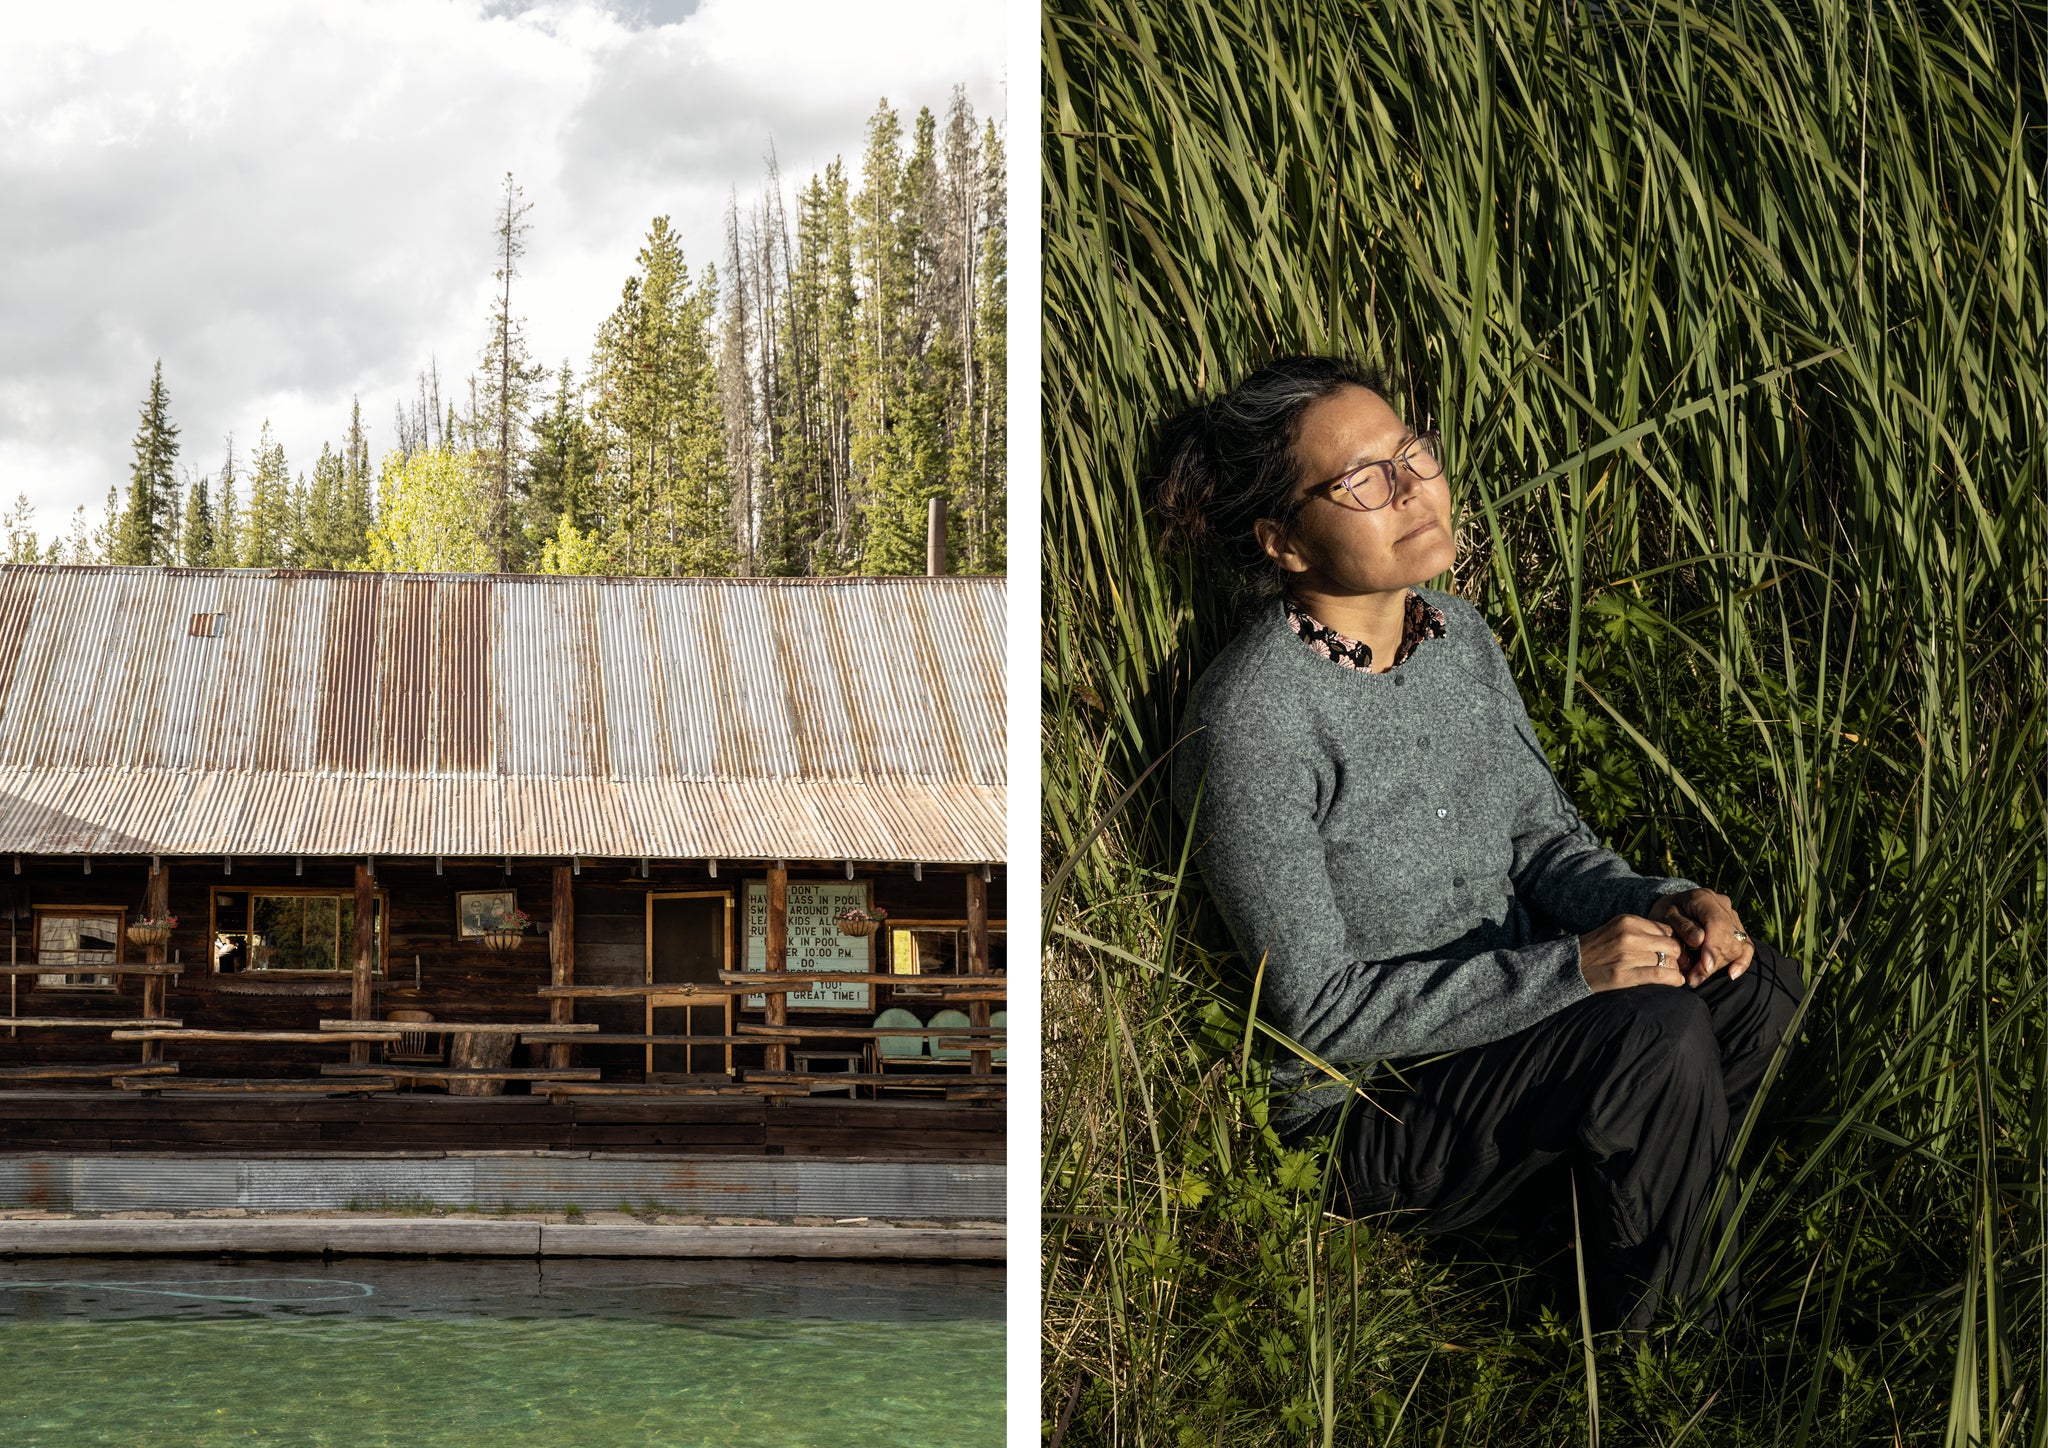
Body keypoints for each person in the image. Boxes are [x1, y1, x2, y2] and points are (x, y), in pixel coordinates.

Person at [1160, 355, 1804, 1337]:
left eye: (1410, 451)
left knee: (1749, 987)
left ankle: (1615, 1240)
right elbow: (1315, 1013)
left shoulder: (1455, 635)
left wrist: (1669, 902)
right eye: (1362, 479)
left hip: (1514, 1033)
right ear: (1281, 540)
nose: (1412, 486)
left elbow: (1543, 841)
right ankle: (1679, 1350)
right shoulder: (1254, 718)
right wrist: (1568, 973)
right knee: (1650, 1031)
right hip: (1374, 1107)